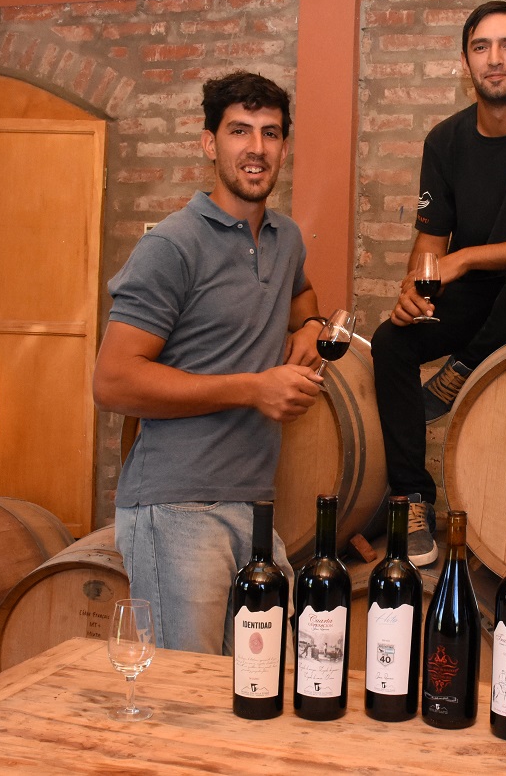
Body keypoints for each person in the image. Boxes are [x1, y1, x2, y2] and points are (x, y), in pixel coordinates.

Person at [93, 71, 325, 653]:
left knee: (256, 691)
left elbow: (301, 293)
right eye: (239, 131)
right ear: (209, 143)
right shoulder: (172, 246)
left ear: (284, 148)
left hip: (254, 503)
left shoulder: (285, 238)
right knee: (184, 700)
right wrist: (252, 388)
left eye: (270, 133)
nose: (256, 148)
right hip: (176, 505)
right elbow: (113, 381)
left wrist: (312, 326)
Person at [371, 1, 506, 565]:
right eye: (481, 47)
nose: (495, 60)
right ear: (465, 62)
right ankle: (412, 500)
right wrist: (413, 292)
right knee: (393, 341)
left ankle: (461, 372)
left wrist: (466, 258)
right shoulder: (443, 142)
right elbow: (429, 245)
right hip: (478, 300)